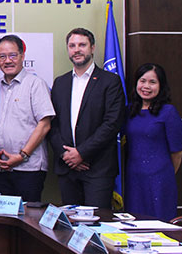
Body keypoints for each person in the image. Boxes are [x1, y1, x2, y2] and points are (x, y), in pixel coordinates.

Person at [48, 28, 125, 208]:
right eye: (72, 46)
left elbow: (112, 124)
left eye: (82, 45)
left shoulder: (110, 81)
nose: (77, 50)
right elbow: (53, 123)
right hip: (67, 168)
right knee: (70, 222)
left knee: (97, 221)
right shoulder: (60, 82)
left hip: (97, 168)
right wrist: (67, 155)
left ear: (92, 48)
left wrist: (81, 153)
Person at [0, 35, 55, 203]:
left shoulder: (35, 84)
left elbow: (44, 125)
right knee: (2, 217)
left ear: (22, 56)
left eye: (13, 55)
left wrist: (22, 155)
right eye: (2, 56)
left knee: (28, 216)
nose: (7, 61)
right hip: (0, 168)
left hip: (29, 168)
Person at [124, 63, 182, 221]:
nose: (146, 86)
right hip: (134, 179)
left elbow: (177, 152)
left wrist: (164, 174)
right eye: (142, 81)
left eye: (152, 82)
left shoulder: (169, 112)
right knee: (134, 223)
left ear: (161, 86)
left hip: (160, 180)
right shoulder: (128, 111)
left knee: (158, 224)